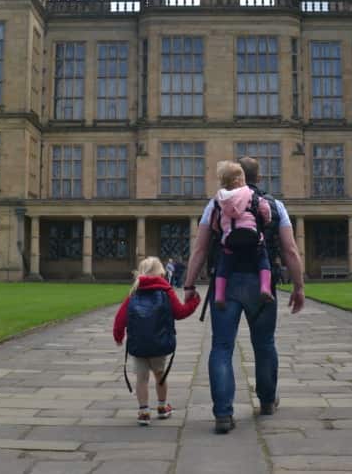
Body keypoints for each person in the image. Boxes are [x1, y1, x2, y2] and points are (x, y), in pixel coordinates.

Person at [183, 155, 305, 434]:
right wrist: (298, 287)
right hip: (261, 281)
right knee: (264, 344)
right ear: (258, 178)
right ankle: (266, 401)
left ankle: (223, 414)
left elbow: (200, 249)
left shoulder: (215, 203)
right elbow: (290, 250)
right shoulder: (275, 205)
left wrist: (189, 285)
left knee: (221, 348)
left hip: (225, 282)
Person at [113, 256, 200, 426]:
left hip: (138, 345)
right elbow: (180, 312)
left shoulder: (134, 293)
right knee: (160, 376)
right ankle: (162, 407)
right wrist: (194, 302)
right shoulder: (166, 291)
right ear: (161, 272)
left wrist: (118, 336)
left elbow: (120, 318)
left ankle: (144, 411)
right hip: (159, 344)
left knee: (141, 378)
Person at [210, 160, 273, 309]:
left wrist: (219, 230)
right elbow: (265, 210)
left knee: (223, 266)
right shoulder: (252, 194)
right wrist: (267, 220)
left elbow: (214, 222)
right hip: (253, 239)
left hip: (229, 240)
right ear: (239, 180)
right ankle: (265, 287)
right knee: (263, 260)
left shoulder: (219, 199)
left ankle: (219, 295)